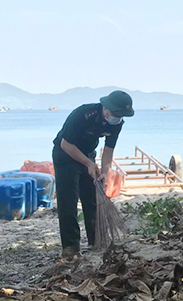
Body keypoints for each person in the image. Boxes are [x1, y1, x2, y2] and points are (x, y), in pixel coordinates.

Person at [52, 90, 134, 260]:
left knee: (92, 199)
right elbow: (66, 144)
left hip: (88, 154)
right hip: (65, 155)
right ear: (105, 108)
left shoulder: (117, 123)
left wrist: (105, 172)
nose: (117, 118)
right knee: (68, 201)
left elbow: (109, 151)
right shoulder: (83, 114)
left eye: (121, 116)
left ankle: (96, 241)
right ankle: (71, 247)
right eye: (115, 114)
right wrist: (88, 164)